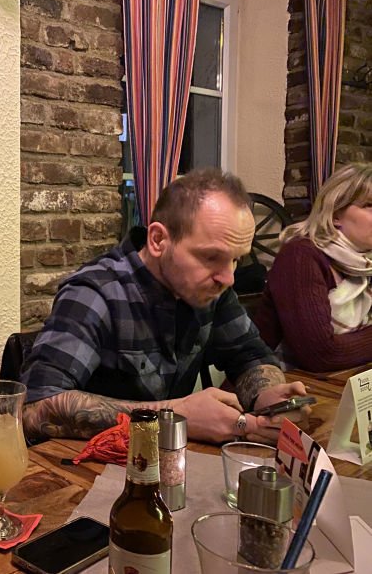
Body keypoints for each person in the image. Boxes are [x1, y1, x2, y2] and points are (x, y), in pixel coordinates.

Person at [21, 168, 309, 445]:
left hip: (167, 462)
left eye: (236, 259)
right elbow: (36, 409)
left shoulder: (212, 287)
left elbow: (249, 355)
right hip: (85, 466)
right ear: (158, 240)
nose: (228, 278)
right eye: (211, 257)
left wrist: (268, 395)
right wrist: (173, 417)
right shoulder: (95, 293)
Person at [253, 163, 372, 372]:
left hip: (343, 380)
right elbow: (321, 355)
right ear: (335, 214)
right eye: (369, 205)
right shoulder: (300, 256)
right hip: (275, 383)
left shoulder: (366, 263)